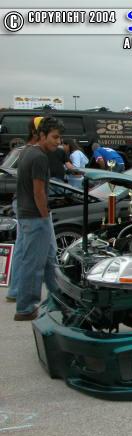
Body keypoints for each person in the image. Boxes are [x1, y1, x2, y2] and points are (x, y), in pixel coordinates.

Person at [12, 116, 62, 321]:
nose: (58, 142)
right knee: (34, 264)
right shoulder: (40, 157)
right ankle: (25, 308)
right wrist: (44, 215)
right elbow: (38, 192)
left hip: (27, 214)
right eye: (54, 137)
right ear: (42, 135)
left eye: (59, 137)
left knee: (50, 260)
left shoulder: (27, 151)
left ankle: (59, 299)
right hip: (35, 217)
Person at [6, 116, 42, 303]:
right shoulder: (35, 153)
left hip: (22, 203)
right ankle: (23, 298)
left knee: (23, 249)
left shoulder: (23, 151)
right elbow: (38, 189)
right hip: (30, 207)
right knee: (30, 251)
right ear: (37, 133)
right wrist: (44, 212)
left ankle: (16, 291)